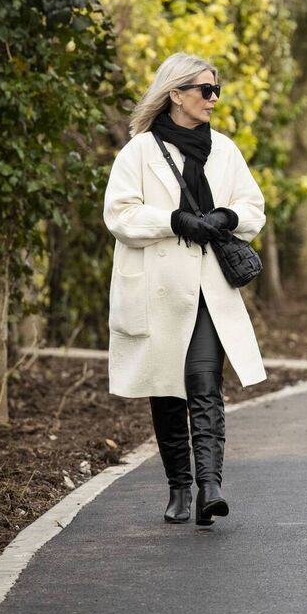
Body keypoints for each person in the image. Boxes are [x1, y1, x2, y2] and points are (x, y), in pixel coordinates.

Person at [104, 52, 268, 527]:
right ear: (175, 94)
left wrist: (227, 216)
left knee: (204, 383)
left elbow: (253, 207)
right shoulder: (138, 152)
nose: (213, 98)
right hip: (157, 288)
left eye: (217, 90)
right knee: (167, 389)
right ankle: (179, 485)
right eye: (205, 90)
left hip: (209, 287)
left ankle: (210, 488)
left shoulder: (225, 150)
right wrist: (174, 220)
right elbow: (120, 215)